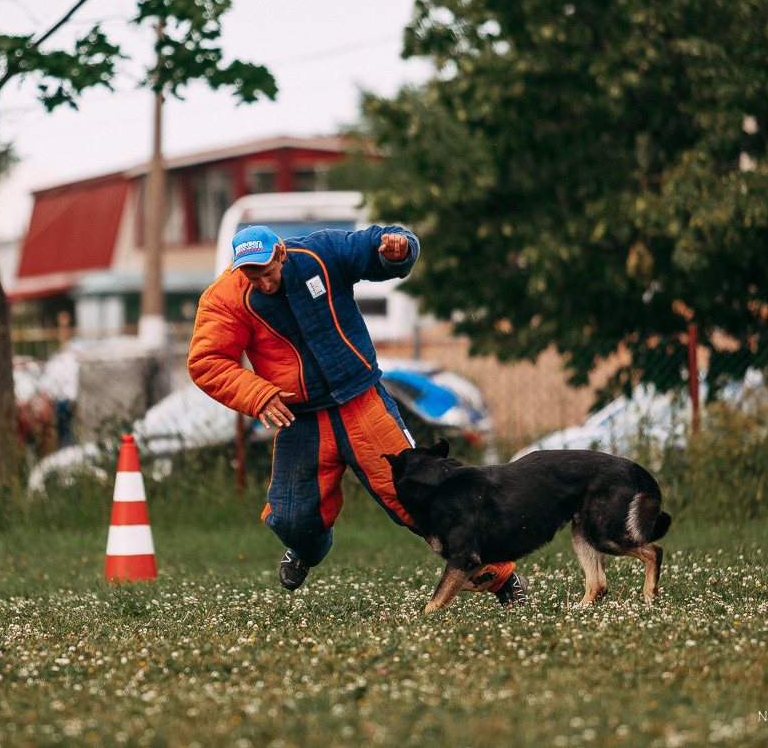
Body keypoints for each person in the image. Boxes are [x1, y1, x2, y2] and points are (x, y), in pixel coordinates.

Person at [187, 223, 526, 607]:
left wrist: (397, 251)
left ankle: (503, 578)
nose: (263, 283)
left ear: (281, 253)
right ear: (237, 269)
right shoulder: (225, 297)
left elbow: (370, 248)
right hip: (301, 418)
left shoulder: (320, 253)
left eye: (267, 272)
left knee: (421, 498)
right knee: (290, 518)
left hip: (361, 401)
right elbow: (206, 360)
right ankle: (306, 550)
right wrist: (258, 395)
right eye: (251, 276)